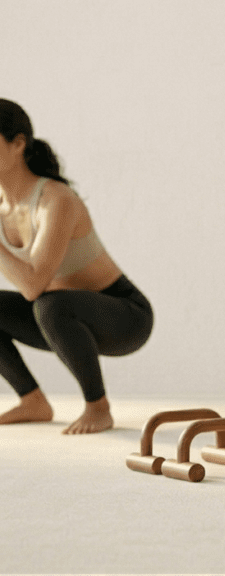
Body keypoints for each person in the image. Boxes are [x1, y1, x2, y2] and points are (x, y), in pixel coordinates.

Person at [0, 99, 153, 434]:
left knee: (49, 304)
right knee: (44, 306)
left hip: (125, 316)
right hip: (58, 317)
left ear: (18, 144)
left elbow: (32, 285)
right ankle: (33, 401)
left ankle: (98, 408)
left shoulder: (56, 200)